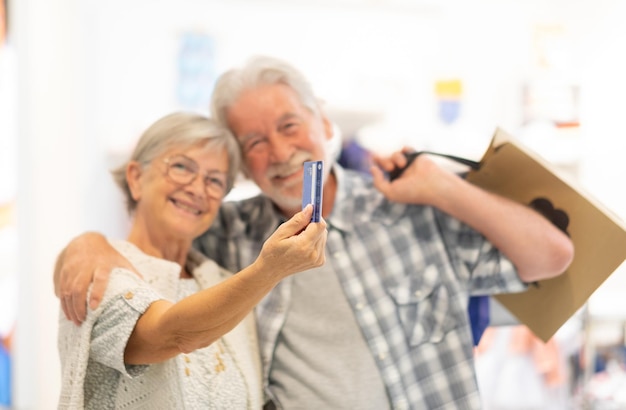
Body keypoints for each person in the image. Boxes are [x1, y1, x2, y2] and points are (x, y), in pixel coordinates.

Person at [56, 56, 574, 409]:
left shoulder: (413, 211)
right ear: (244, 165)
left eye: (288, 126)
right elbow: (161, 241)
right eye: (254, 141)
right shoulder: (236, 237)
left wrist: (445, 189)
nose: (279, 153)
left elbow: (552, 257)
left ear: (323, 121)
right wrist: (87, 246)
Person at [56, 112, 327, 409]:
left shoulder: (220, 278)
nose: (198, 189)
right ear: (136, 178)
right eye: (182, 167)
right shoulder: (102, 271)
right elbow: (173, 334)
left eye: (214, 181)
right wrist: (268, 271)